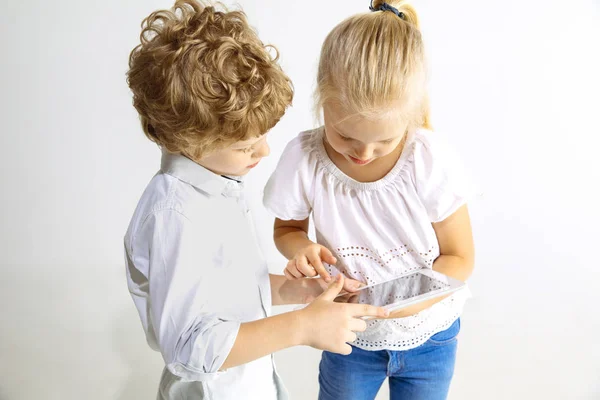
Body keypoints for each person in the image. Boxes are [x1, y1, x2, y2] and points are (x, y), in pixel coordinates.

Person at [124, 1, 389, 399]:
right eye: (246, 146)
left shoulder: (217, 186)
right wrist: (302, 327)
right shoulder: (174, 215)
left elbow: (219, 294)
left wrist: (295, 292)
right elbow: (188, 349)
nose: (264, 152)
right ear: (188, 140)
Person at [263, 1, 475, 399]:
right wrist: (304, 248)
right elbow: (287, 230)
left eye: (385, 141)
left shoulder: (427, 158)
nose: (362, 153)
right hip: (347, 335)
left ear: (410, 118)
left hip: (430, 335)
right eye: (345, 138)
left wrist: (404, 306)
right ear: (322, 100)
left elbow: (460, 258)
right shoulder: (304, 158)